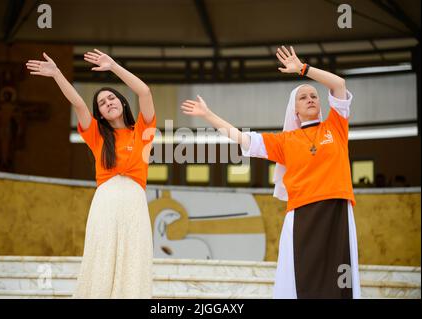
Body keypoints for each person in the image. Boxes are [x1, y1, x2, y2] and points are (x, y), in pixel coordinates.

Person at [180, 45, 361, 299]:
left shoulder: (336, 127)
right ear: (294, 110)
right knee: (304, 279)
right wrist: (208, 115)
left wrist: (303, 69)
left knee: (341, 280)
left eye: (314, 96)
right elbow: (242, 139)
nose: (310, 99)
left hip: (337, 208)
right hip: (303, 214)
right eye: (303, 97)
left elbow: (339, 84)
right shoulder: (284, 142)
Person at [26, 49, 156, 298]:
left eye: (112, 98)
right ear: (100, 114)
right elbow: (78, 103)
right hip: (106, 201)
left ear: (122, 101)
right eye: (102, 104)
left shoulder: (142, 129)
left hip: (134, 202)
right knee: (102, 255)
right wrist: (57, 74)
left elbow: (145, 92)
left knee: (133, 257)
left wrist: (114, 66)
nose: (108, 103)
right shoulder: (97, 135)